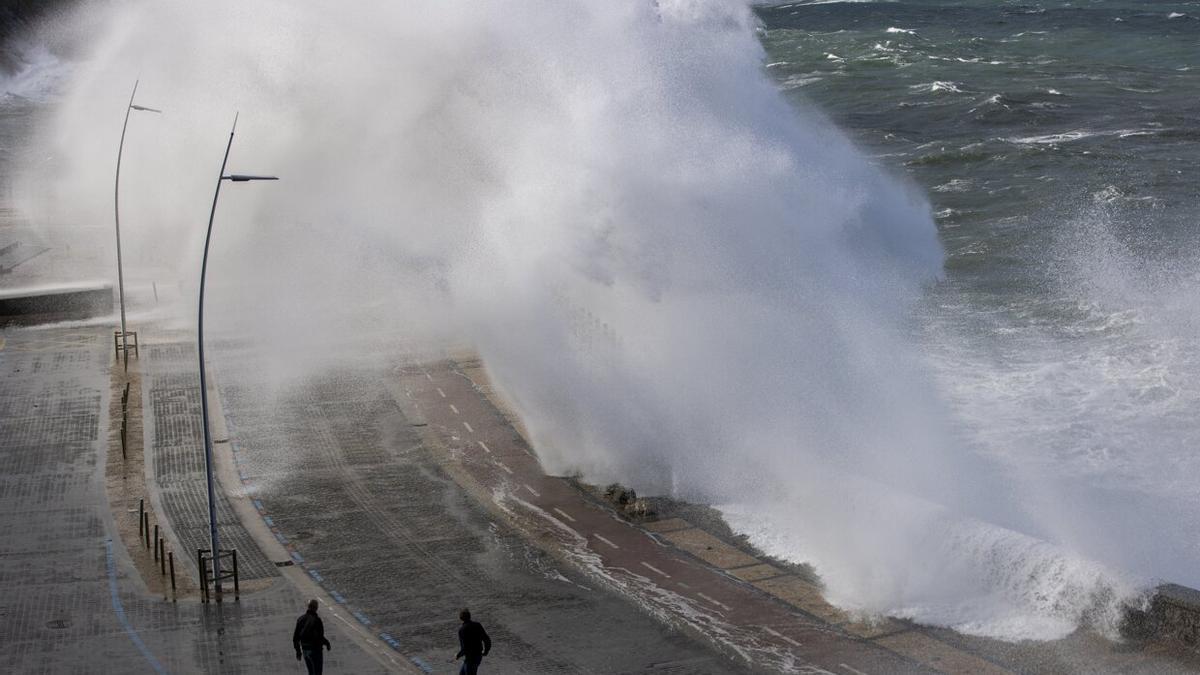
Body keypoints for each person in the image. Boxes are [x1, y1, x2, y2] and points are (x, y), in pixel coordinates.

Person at [293, 599, 332, 675]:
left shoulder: (300, 619)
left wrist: (298, 652)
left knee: (311, 672)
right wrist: (327, 643)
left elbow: (295, 638)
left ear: (308, 607)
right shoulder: (317, 620)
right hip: (315, 651)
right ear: (316, 608)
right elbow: (320, 637)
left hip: (305, 650)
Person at [454, 608, 491, 674]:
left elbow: (464, 648)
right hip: (477, 656)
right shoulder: (477, 625)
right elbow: (486, 639)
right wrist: (486, 651)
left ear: (461, 618)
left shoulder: (462, 630)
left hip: (470, 659)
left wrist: (458, 655)